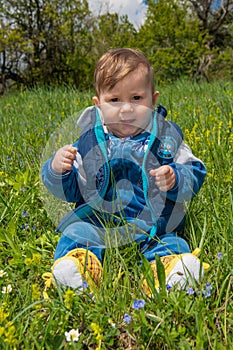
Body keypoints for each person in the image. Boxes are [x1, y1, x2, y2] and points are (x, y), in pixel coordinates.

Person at [41, 48, 208, 295]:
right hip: (98, 222)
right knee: (77, 232)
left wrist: (176, 178)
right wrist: (58, 170)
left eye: (137, 98)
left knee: (172, 243)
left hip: (154, 226)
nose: (126, 109)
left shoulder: (167, 139)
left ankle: (168, 273)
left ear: (153, 100)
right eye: (115, 100)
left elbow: (195, 171)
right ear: (99, 105)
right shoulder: (89, 143)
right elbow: (71, 190)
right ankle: (78, 270)